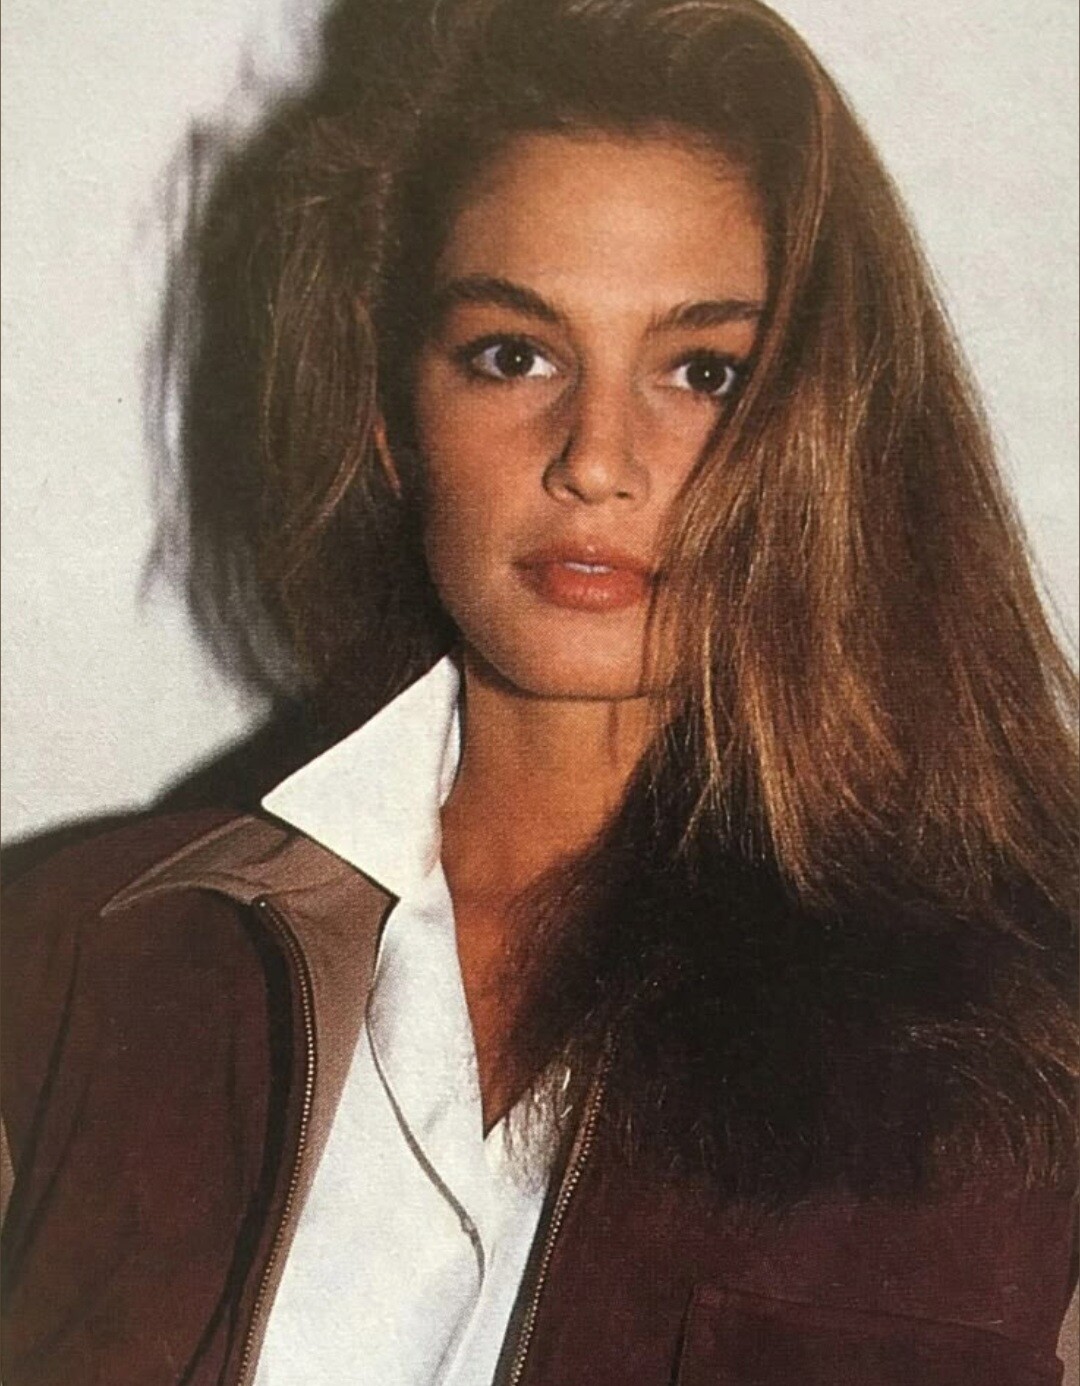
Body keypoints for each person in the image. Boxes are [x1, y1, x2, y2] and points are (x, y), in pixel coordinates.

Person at [2, 0, 1076, 1382]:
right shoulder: (69, 966)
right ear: (394, 416)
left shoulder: (1040, 1022)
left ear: (828, 430)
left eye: (704, 372)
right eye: (515, 354)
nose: (596, 459)